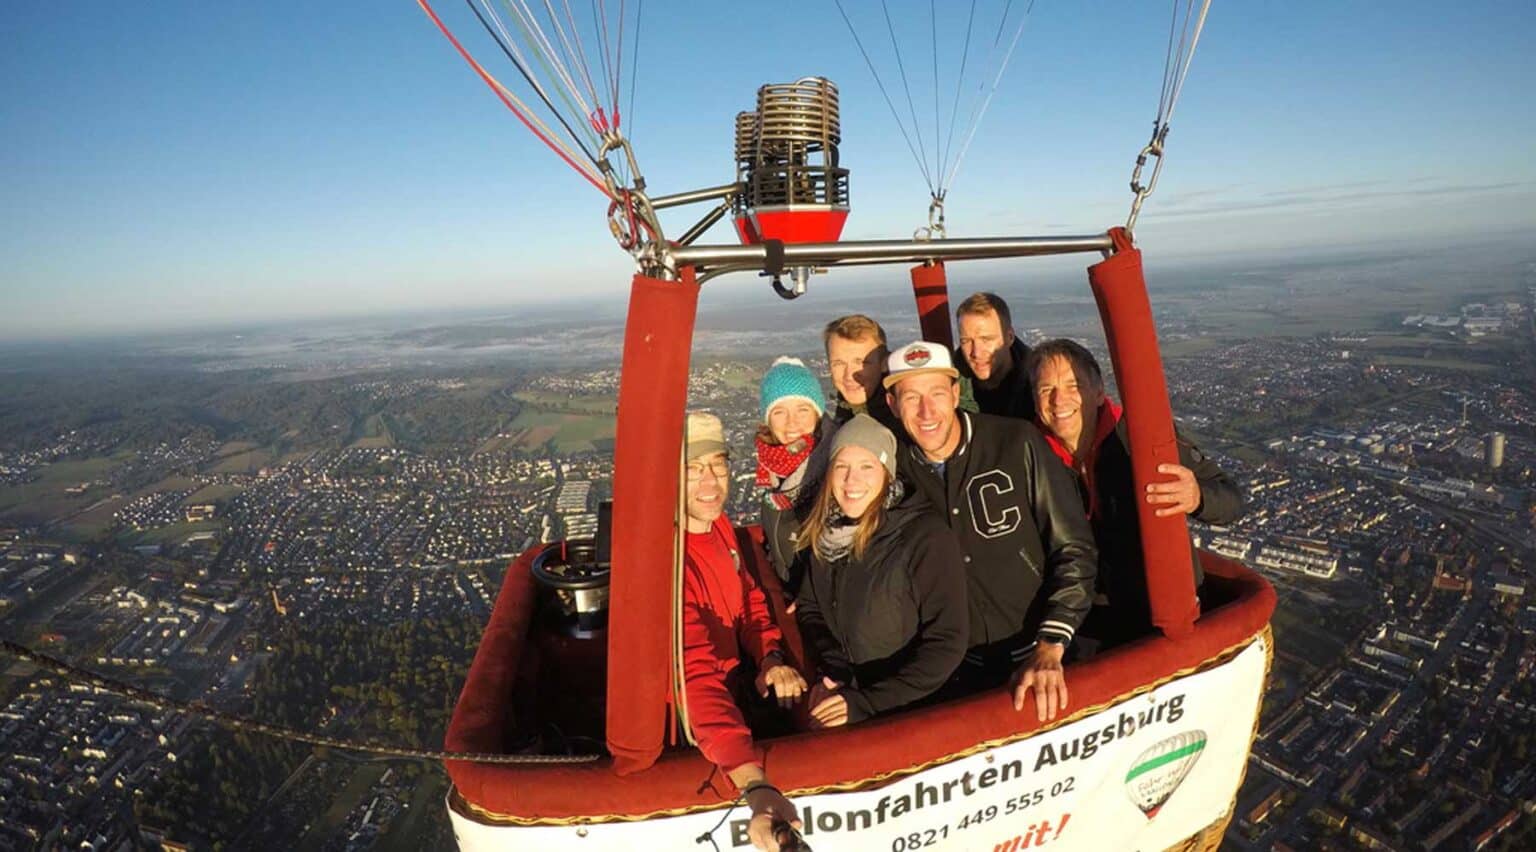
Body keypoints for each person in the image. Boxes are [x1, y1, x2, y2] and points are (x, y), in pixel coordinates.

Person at [883, 341, 1097, 722]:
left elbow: (1074, 548)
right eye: (911, 397)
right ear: (892, 405)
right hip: (955, 672)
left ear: (954, 393)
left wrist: (1051, 644)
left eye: (936, 393)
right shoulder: (891, 470)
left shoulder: (1014, 443)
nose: (926, 410)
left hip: (1043, 654)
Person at [1025, 339, 1245, 644]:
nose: (1059, 400)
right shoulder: (1029, 454)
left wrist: (1198, 497)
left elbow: (1232, 499)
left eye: (1073, 385)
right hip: (1083, 619)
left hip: (1157, 612)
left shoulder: (1143, 438)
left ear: (1099, 392)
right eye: (1046, 389)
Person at [680, 412, 808, 850]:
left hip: (743, 684)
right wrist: (755, 785)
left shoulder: (718, 527)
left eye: (718, 464)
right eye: (694, 469)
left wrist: (770, 657)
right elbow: (694, 682)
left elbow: (749, 599)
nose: (711, 480)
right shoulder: (667, 566)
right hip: (710, 720)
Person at [791, 414, 968, 728]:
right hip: (854, 707)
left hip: (913, 715)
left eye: (866, 466)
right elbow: (811, 606)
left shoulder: (924, 537)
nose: (851, 481)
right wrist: (835, 668)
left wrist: (870, 701)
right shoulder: (827, 534)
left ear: (888, 473)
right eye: (842, 466)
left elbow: (947, 642)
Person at [755, 357, 829, 598]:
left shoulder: (836, 466)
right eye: (779, 412)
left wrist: (812, 600)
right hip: (789, 595)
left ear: (817, 413)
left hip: (823, 605)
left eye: (802, 409)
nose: (792, 423)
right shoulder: (771, 468)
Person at [954, 292, 1034, 419]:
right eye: (966, 341)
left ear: (1009, 337)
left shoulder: (1037, 383)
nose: (976, 352)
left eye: (986, 339)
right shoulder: (949, 386)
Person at [822, 314, 900, 430]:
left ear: (884, 364)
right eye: (839, 363)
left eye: (861, 362)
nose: (849, 375)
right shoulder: (845, 411)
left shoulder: (903, 418)